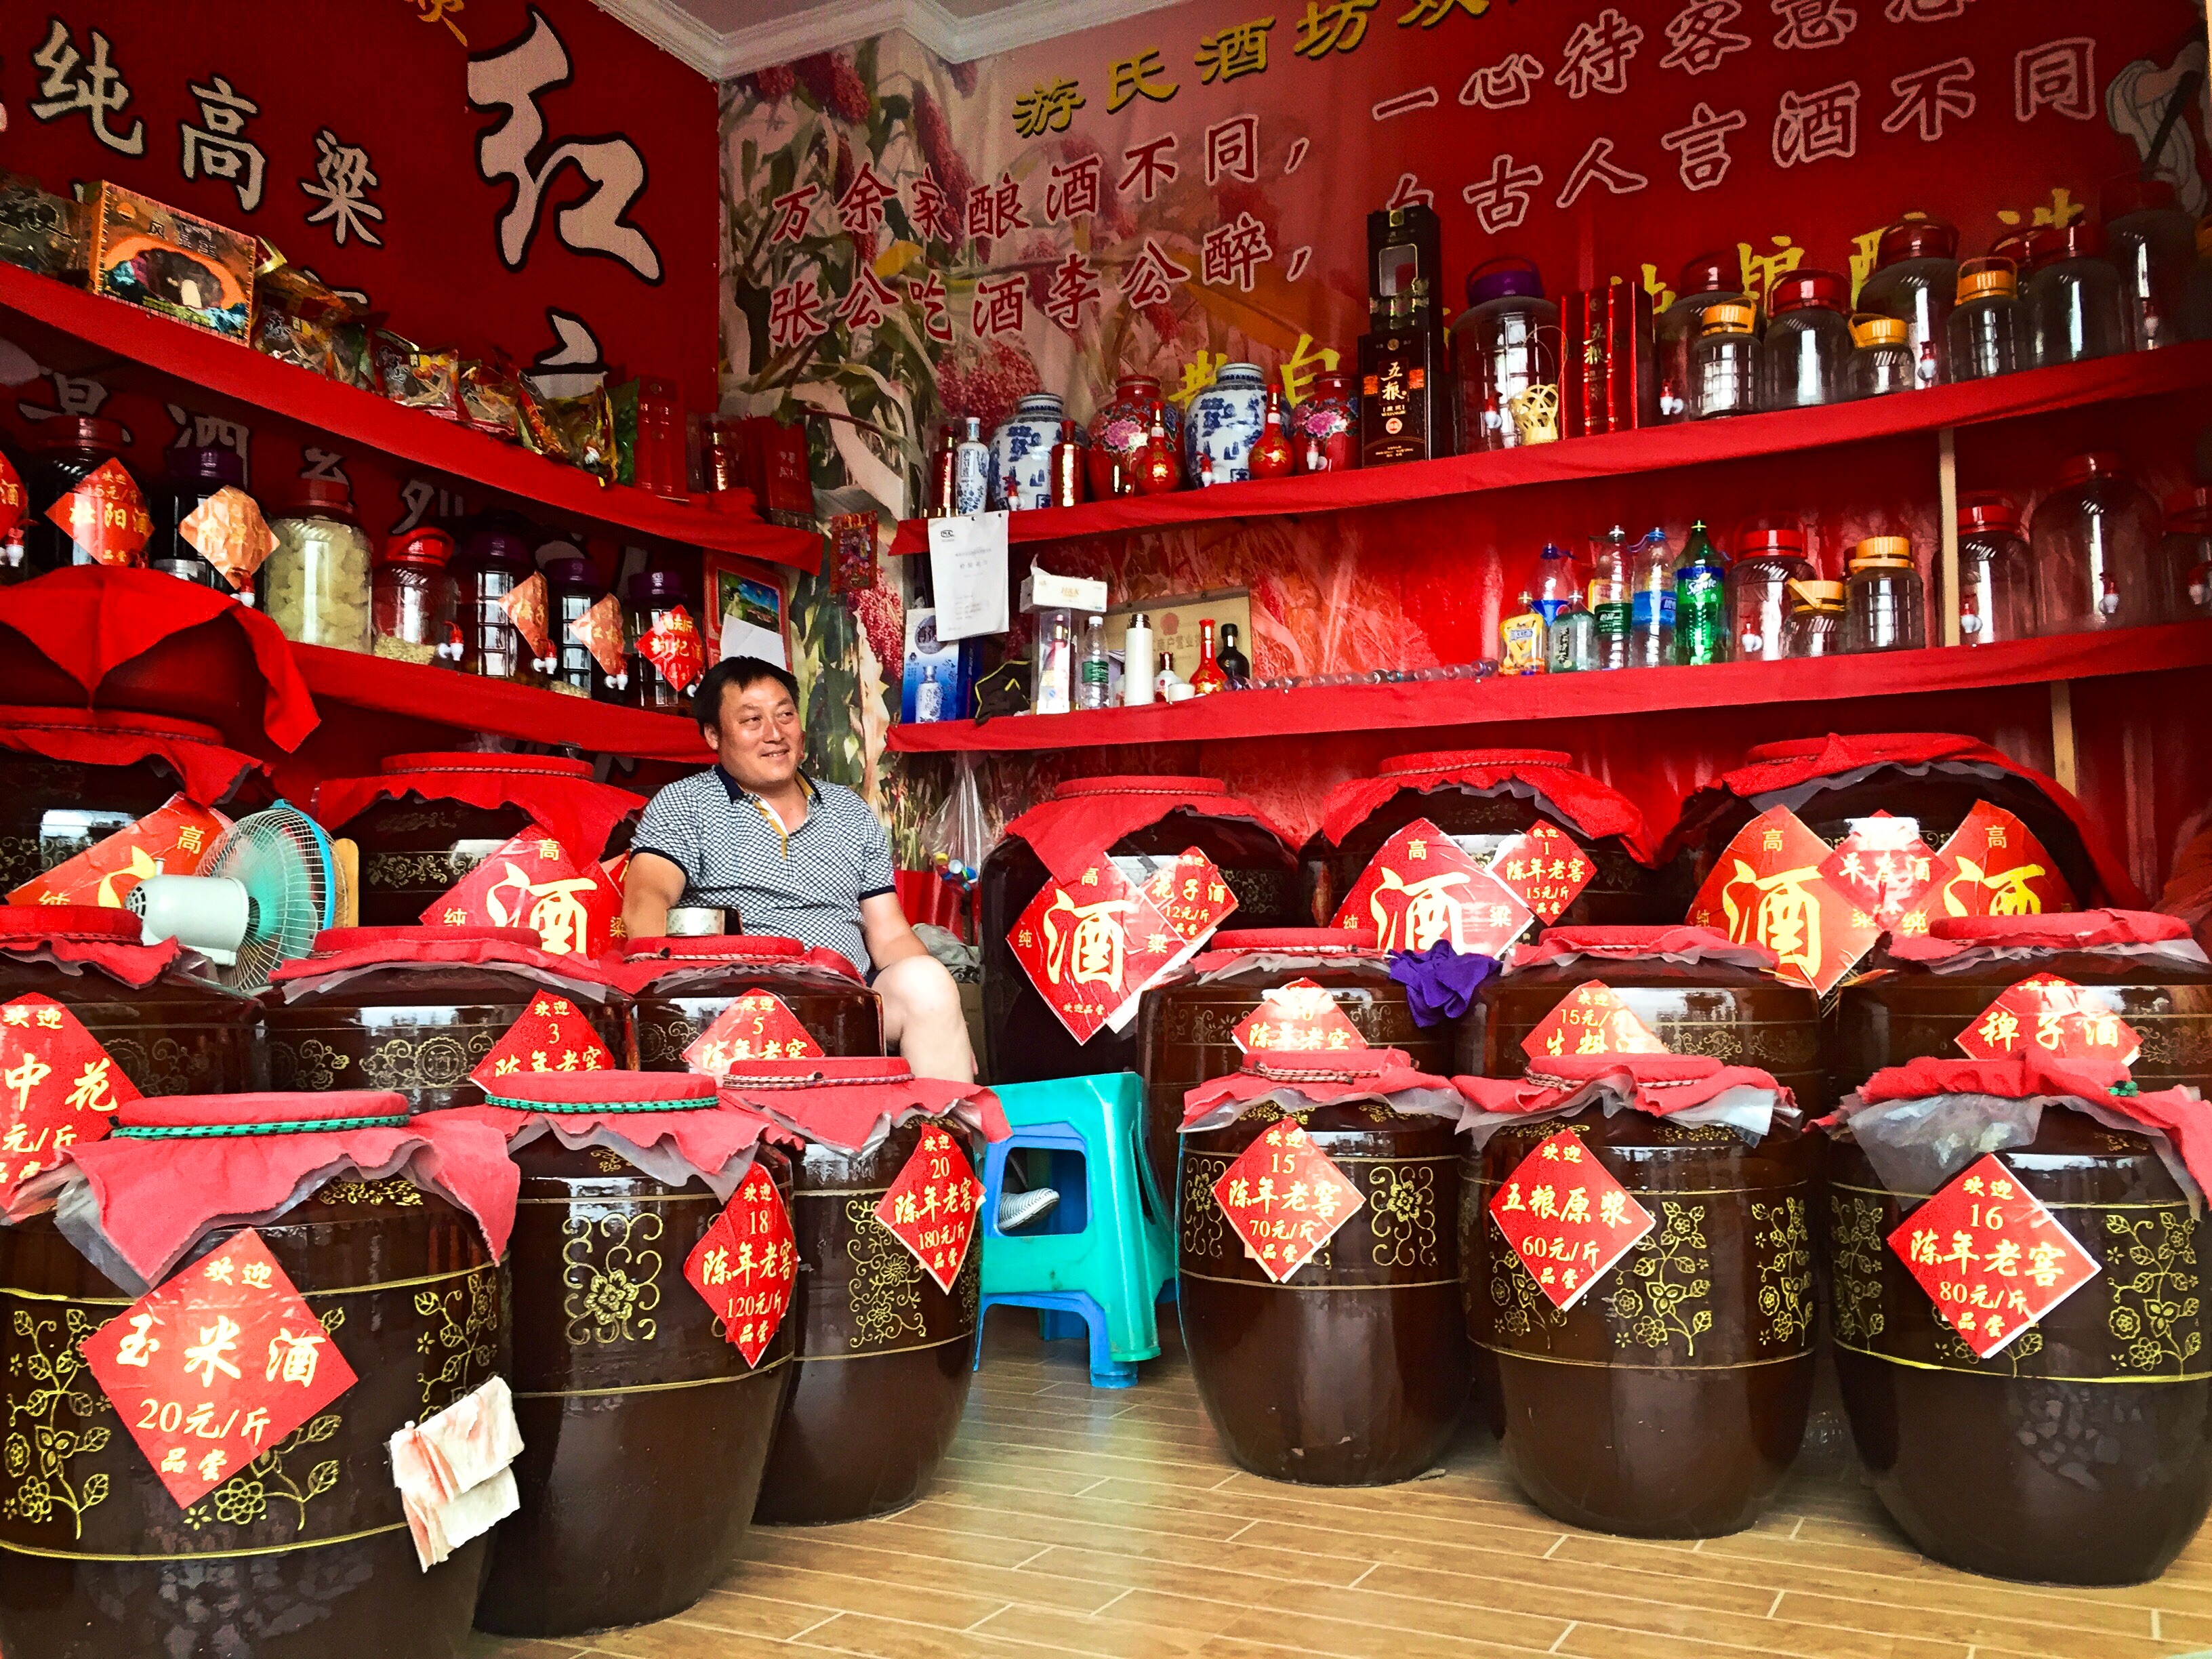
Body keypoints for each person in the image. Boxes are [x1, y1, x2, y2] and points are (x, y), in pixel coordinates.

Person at [621, 656, 975, 1082]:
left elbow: (891, 934)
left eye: (785, 714)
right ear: (714, 735)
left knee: (927, 983)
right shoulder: (684, 804)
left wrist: (949, 1015)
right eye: (752, 720)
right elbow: (646, 901)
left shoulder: (849, 811)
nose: (775, 734)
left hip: (847, 1003)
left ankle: (942, 1143)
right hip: (738, 1006)